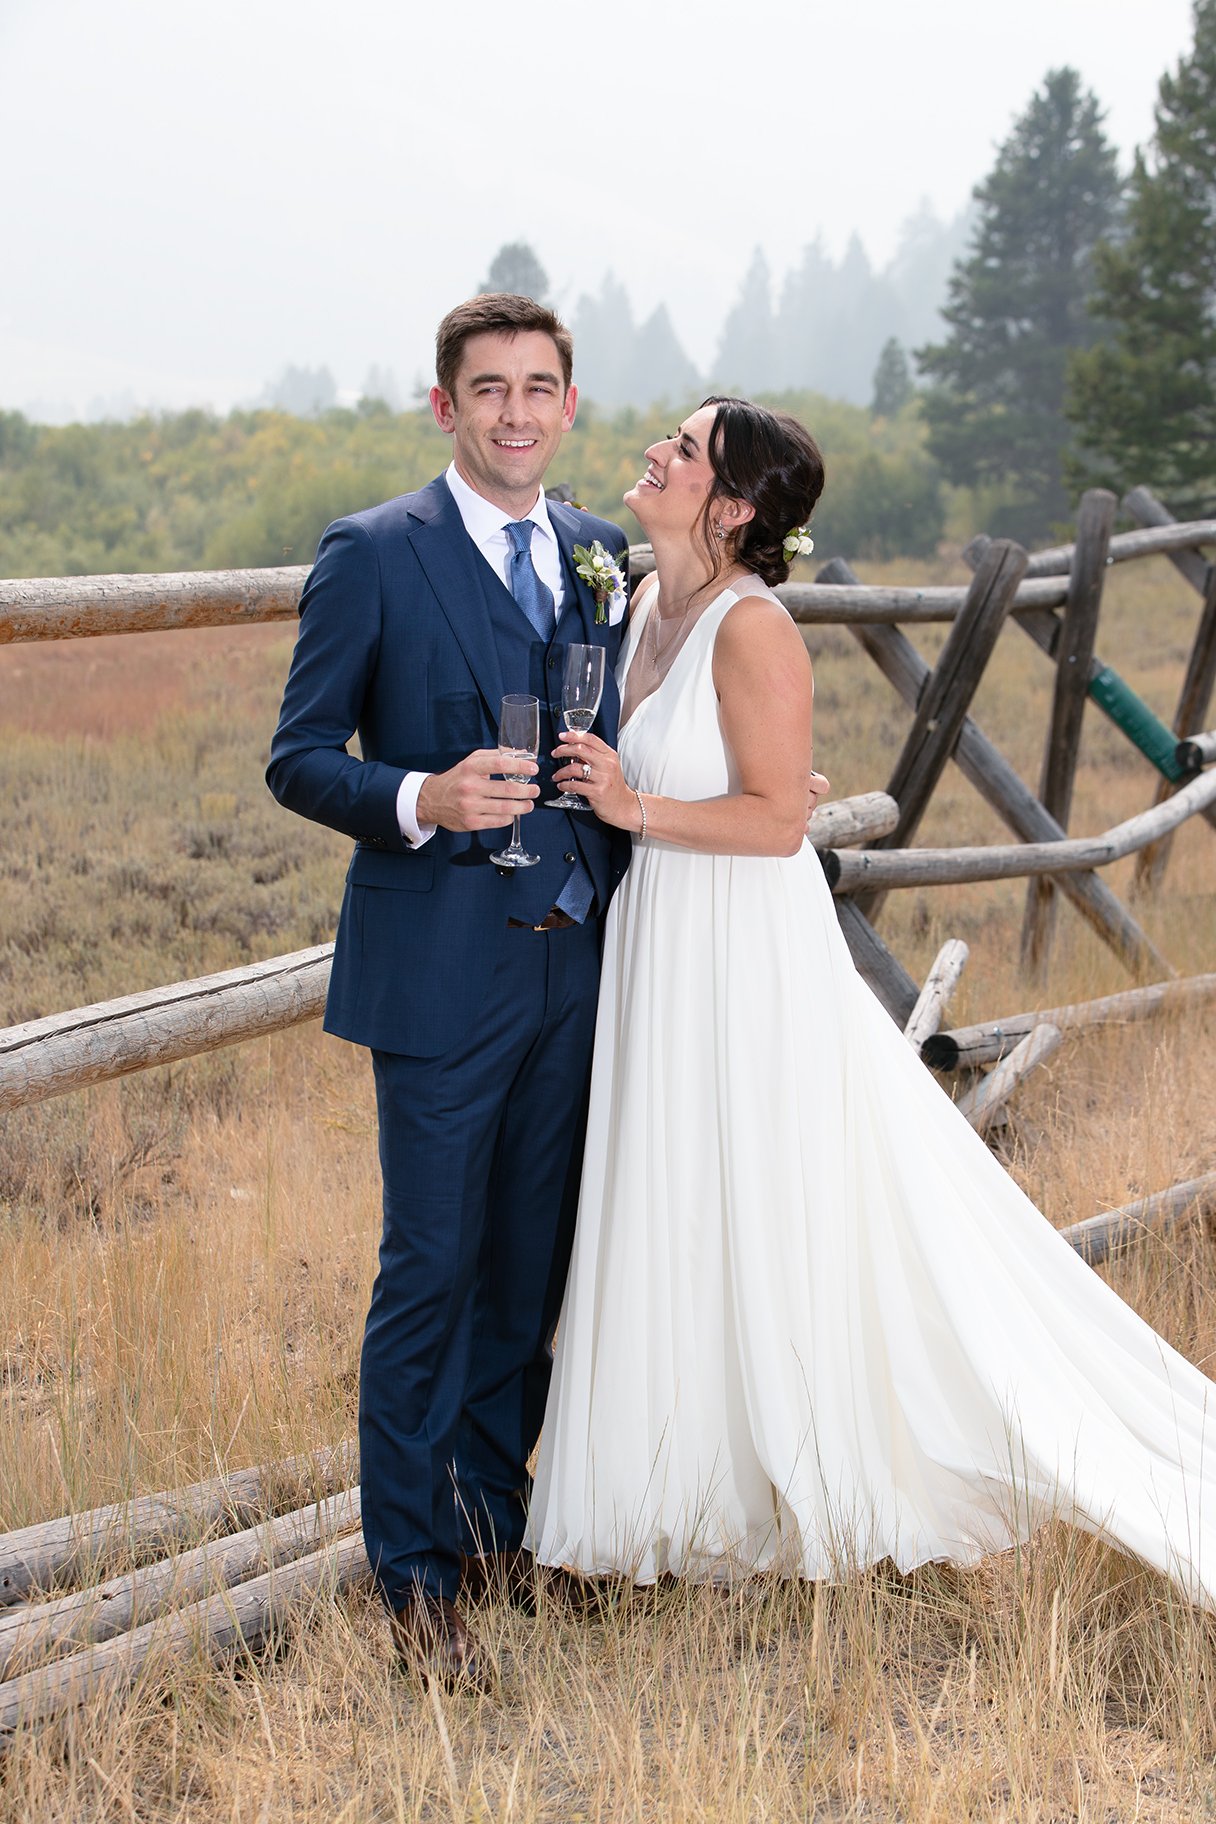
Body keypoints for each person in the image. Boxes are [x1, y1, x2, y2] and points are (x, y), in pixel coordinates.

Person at [528, 396, 1216, 1605]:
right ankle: (681, 1479)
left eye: (683, 450)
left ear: (731, 509)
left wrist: (635, 805)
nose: (656, 452)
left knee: (760, 1182)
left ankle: (800, 1461)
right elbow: (733, 769)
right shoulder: (638, 601)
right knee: (679, 1183)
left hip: (738, 945)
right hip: (660, 935)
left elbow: (773, 823)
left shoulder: (753, 627)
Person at [266, 294, 635, 1686]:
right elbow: (299, 756)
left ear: (568, 405)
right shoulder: (373, 552)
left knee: (529, 1270)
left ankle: (493, 1527)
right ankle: (412, 1578)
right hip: (435, 978)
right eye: (490, 390)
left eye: (540, 388)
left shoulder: (596, 553)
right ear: (446, 406)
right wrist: (419, 794)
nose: (517, 413)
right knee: (430, 1270)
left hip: (572, 962)